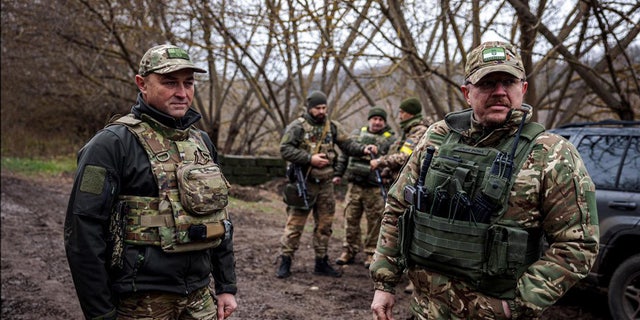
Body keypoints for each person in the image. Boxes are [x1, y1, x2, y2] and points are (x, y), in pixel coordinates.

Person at [370, 41, 599, 319]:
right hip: (425, 311)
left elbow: (578, 245)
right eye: (488, 83)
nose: (499, 92)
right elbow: (397, 207)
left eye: (508, 82)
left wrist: (515, 304)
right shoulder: (437, 137)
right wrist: (385, 282)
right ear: (467, 92)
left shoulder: (552, 154)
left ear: (523, 88)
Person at [64, 44, 237, 320]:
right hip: (139, 303)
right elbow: (82, 232)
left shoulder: (202, 142)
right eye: (169, 82)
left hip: (200, 299)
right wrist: (99, 311)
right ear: (142, 84)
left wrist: (227, 286)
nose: (182, 93)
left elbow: (220, 219)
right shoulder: (110, 145)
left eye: (188, 83)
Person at [276, 90, 378, 279]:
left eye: (324, 107)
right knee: (295, 225)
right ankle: (285, 260)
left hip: (325, 185)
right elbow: (285, 149)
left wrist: (364, 149)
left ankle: (321, 261)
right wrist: (309, 158)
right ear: (309, 108)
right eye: (318, 108)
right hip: (304, 184)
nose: (322, 111)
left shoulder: (332, 127)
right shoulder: (298, 127)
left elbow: (348, 145)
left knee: (325, 226)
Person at [369, 96, 430, 294]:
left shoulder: (419, 131)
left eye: (402, 112)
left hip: (413, 189)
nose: (399, 115)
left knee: (412, 229)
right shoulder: (408, 131)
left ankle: (415, 276)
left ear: (410, 113)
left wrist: (381, 162)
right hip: (402, 186)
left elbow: (406, 156)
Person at [333, 106, 396, 268]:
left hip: (375, 187)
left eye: (380, 120)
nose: (377, 122)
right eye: (374, 119)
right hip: (355, 185)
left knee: (375, 222)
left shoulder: (390, 138)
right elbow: (345, 155)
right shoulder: (356, 134)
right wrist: (338, 174)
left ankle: (370, 253)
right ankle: (349, 250)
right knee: (350, 218)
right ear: (369, 120)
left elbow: (389, 156)